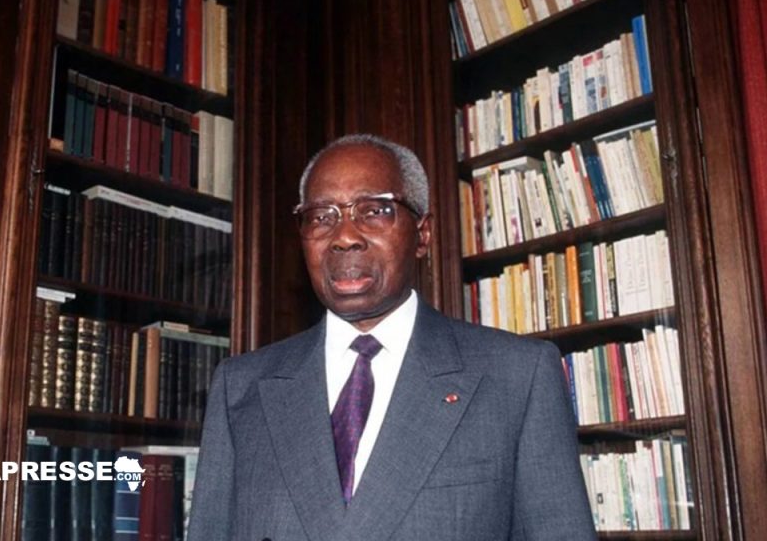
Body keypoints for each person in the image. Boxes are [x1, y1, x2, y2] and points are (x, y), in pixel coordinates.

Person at [187, 134, 597, 541]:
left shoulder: (518, 377)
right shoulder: (241, 387)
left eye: (374, 211)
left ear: (422, 235)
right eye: (322, 217)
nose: (344, 237)